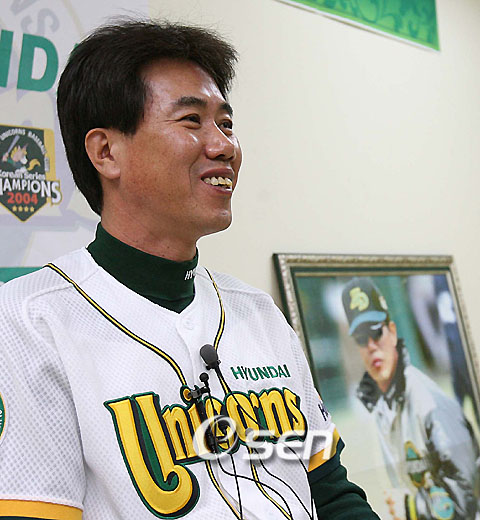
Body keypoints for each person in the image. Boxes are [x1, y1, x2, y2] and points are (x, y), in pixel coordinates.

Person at [0, 20, 379, 520]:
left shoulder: (258, 313)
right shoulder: (31, 319)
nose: (223, 146)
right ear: (106, 152)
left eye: (226, 123)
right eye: (191, 120)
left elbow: (329, 493)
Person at [341, 277, 480, 520]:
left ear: (393, 332)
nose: (371, 346)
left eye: (376, 332)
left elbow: (466, 500)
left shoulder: (431, 405)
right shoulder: (382, 407)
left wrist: (409, 506)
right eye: (362, 339)